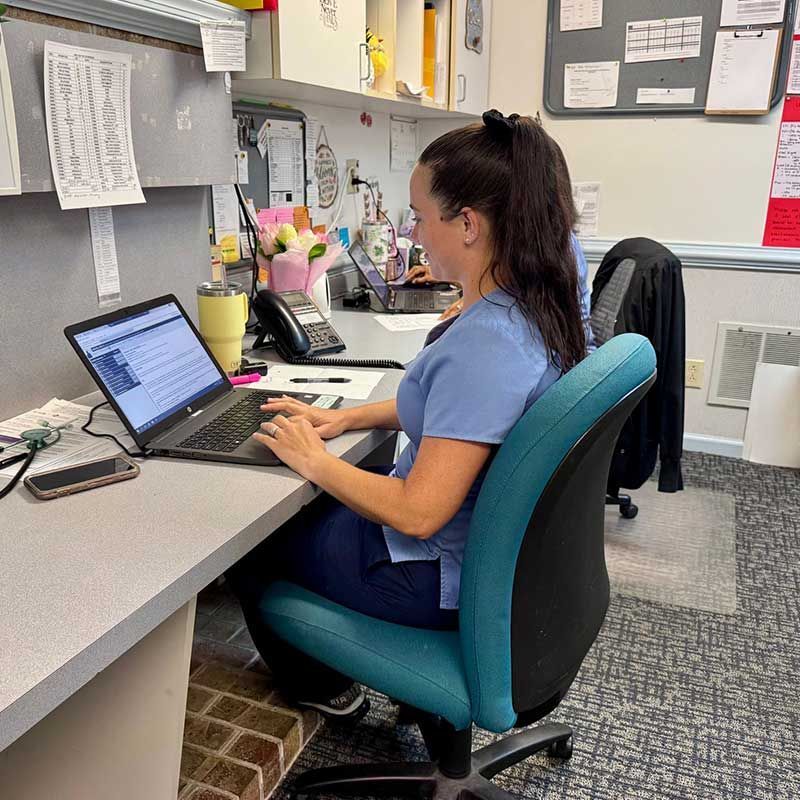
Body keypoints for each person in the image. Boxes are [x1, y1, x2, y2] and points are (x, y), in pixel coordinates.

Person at [225, 109, 587, 722]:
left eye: (419, 217)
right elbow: (463, 419)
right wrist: (346, 421)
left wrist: (314, 461)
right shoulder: (538, 298)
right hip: (491, 558)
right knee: (319, 503)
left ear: (468, 224)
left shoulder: (489, 344)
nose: (414, 233)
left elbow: (419, 512)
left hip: (427, 570)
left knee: (252, 542)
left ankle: (326, 689)